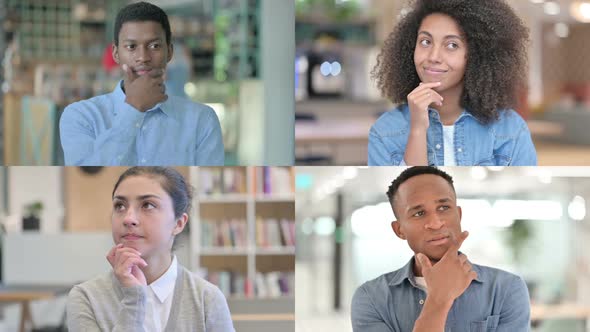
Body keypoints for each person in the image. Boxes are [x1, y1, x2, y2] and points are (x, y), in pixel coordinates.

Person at [351, 166, 531, 331]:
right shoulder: (371, 299)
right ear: (400, 230)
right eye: (419, 213)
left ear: (458, 215)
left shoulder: (506, 288)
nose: (436, 223)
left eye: (444, 207)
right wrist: (439, 300)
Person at [368, 0, 537, 166]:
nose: (433, 57)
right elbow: (409, 190)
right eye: (426, 42)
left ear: (477, 55)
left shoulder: (511, 130)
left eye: (452, 45)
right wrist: (418, 130)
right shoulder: (384, 131)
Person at [67, 167, 234, 331]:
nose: (128, 218)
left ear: (179, 223)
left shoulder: (207, 299)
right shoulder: (86, 297)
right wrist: (134, 299)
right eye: (120, 206)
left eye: (147, 205)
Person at [60, 2, 224, 166]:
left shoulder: (201, 120)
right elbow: (88, 175)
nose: (143, 57)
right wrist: (133, 108)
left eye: (154, 46)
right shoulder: (81, 116)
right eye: (131, 46)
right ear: (116, 54)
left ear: (170, 52)